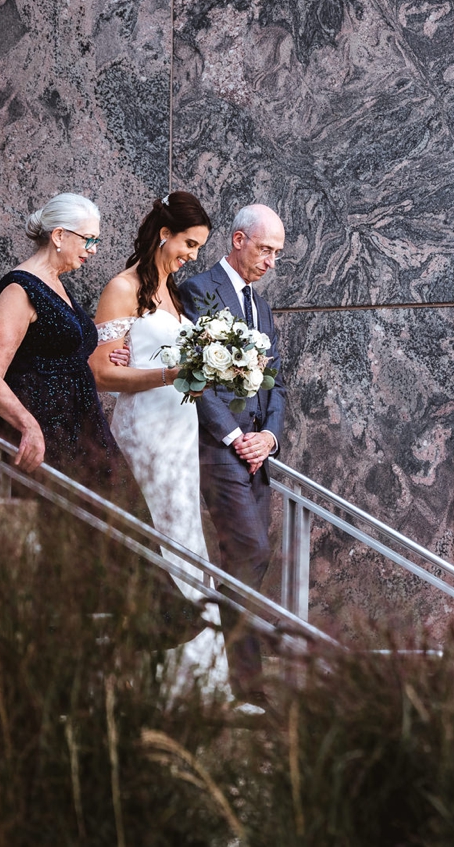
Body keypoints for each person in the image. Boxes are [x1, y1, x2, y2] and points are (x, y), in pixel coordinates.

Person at [0, 193, 202, 647]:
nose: (93, 249)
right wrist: (27, 424)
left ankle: (104, 641)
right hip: (45, 433)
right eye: (88, 239)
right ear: (59, 236)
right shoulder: (20, 287)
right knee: (66, 543)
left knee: (123, 529)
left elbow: (74, 352)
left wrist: (102, 353)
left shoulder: (58, 284)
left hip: (81, 428)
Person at [89, 193, 233, 704]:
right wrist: (171, 374)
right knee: (159, 535)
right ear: (163, 234)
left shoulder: (172, 295)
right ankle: (163, 682)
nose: (193, 255)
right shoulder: (121, 288)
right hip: (144, 431)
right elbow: (102, 372)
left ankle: (200, 681)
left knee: (186, 536)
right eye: (190, 244)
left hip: (179, 429)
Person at [176, 204, 286, 707]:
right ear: (238, 240)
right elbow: (192, 376)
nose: (270, 262)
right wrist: (232, 437)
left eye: (276, 254)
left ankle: (228, 672)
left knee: (245, 559)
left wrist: (269, 438)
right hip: (218, 449)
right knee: (249, 553)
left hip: (257, 454)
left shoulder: (259, 305)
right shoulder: (198, 290)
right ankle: (247, 683)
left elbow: (274, 383)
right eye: (264, 250)